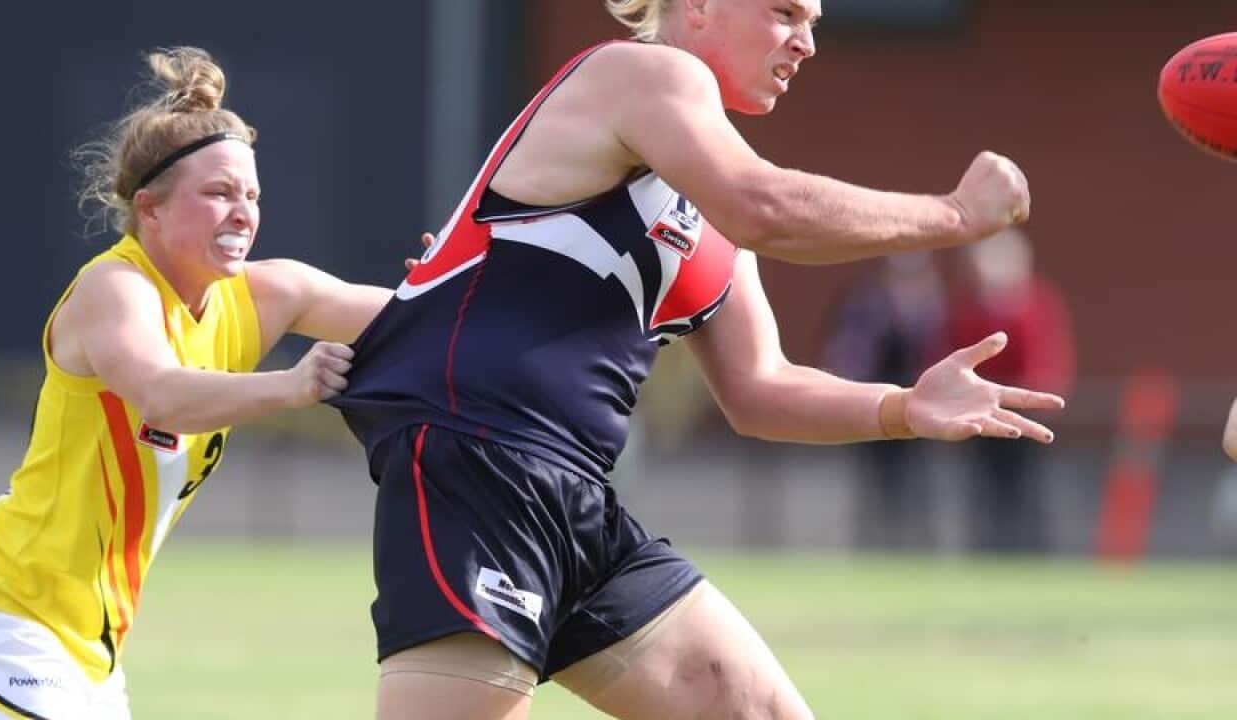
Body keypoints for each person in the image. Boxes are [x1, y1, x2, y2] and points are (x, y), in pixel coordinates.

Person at [331, 1, 1065, 718]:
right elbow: (765, 206)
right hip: (480, 460)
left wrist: (905, 407)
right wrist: (956, 216)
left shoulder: (710, 203)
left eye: (813, 23)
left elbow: (761, 388)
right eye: (784, 13)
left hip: (574, 495)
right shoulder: (643, 75)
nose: (805, 42)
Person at [0, 47, 392, 719]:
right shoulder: (115, 285)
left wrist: (451, 276)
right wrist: (292, 386)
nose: (242, 212)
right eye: (218, 193)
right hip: (10, 631)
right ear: (148, 208)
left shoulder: (264, 293)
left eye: (251, 196)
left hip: (91, 660)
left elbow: (426, 321)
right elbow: (162, 393)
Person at [940, 228, 1074, 552]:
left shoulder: (1035, 303)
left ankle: (1035, 551)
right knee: (985, 491)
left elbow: (1048, 356)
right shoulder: (971, 310)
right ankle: (988, 550)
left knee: (1031, 491)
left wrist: (1042, 396)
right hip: (982, 416)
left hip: (1027, 414)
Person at [823, 253, 947, 550]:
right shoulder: (871, 306)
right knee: (875, 482)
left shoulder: (930, 309)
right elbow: (851, 351)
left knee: (917, 482)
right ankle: (876, 542)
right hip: (877, 405)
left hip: (919, 410)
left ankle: (917, 543)